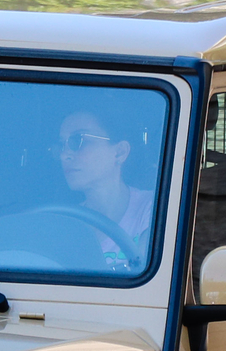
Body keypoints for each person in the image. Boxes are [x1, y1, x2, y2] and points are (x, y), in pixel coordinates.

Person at [54, 108, 154, 256]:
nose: (64, 155)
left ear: (120, 152)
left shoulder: (154, 207)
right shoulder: (62, 224)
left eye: (78, 140)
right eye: (62, 145)